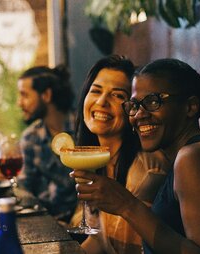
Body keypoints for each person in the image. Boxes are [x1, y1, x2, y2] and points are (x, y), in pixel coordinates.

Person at [72, 58, 200, 253]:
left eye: (153, 102)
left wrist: (126, 205)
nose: (139, 114)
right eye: (135, 105)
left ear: (190, 107)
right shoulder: (182, 158)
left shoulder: (195, 156)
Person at [73, 55, 170, 253]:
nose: (101, 101)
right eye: (96, 91)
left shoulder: (145, 172)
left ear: (132, 108)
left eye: (117, 95)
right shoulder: (102, 161)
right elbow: (102, 241)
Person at [16, 65, 77, 223]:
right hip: (49, 222)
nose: (19, 103)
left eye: (24, 95)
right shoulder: (30, 138)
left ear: (46, 95)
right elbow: (25, 190)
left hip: (87, 222)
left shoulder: (84, 128)